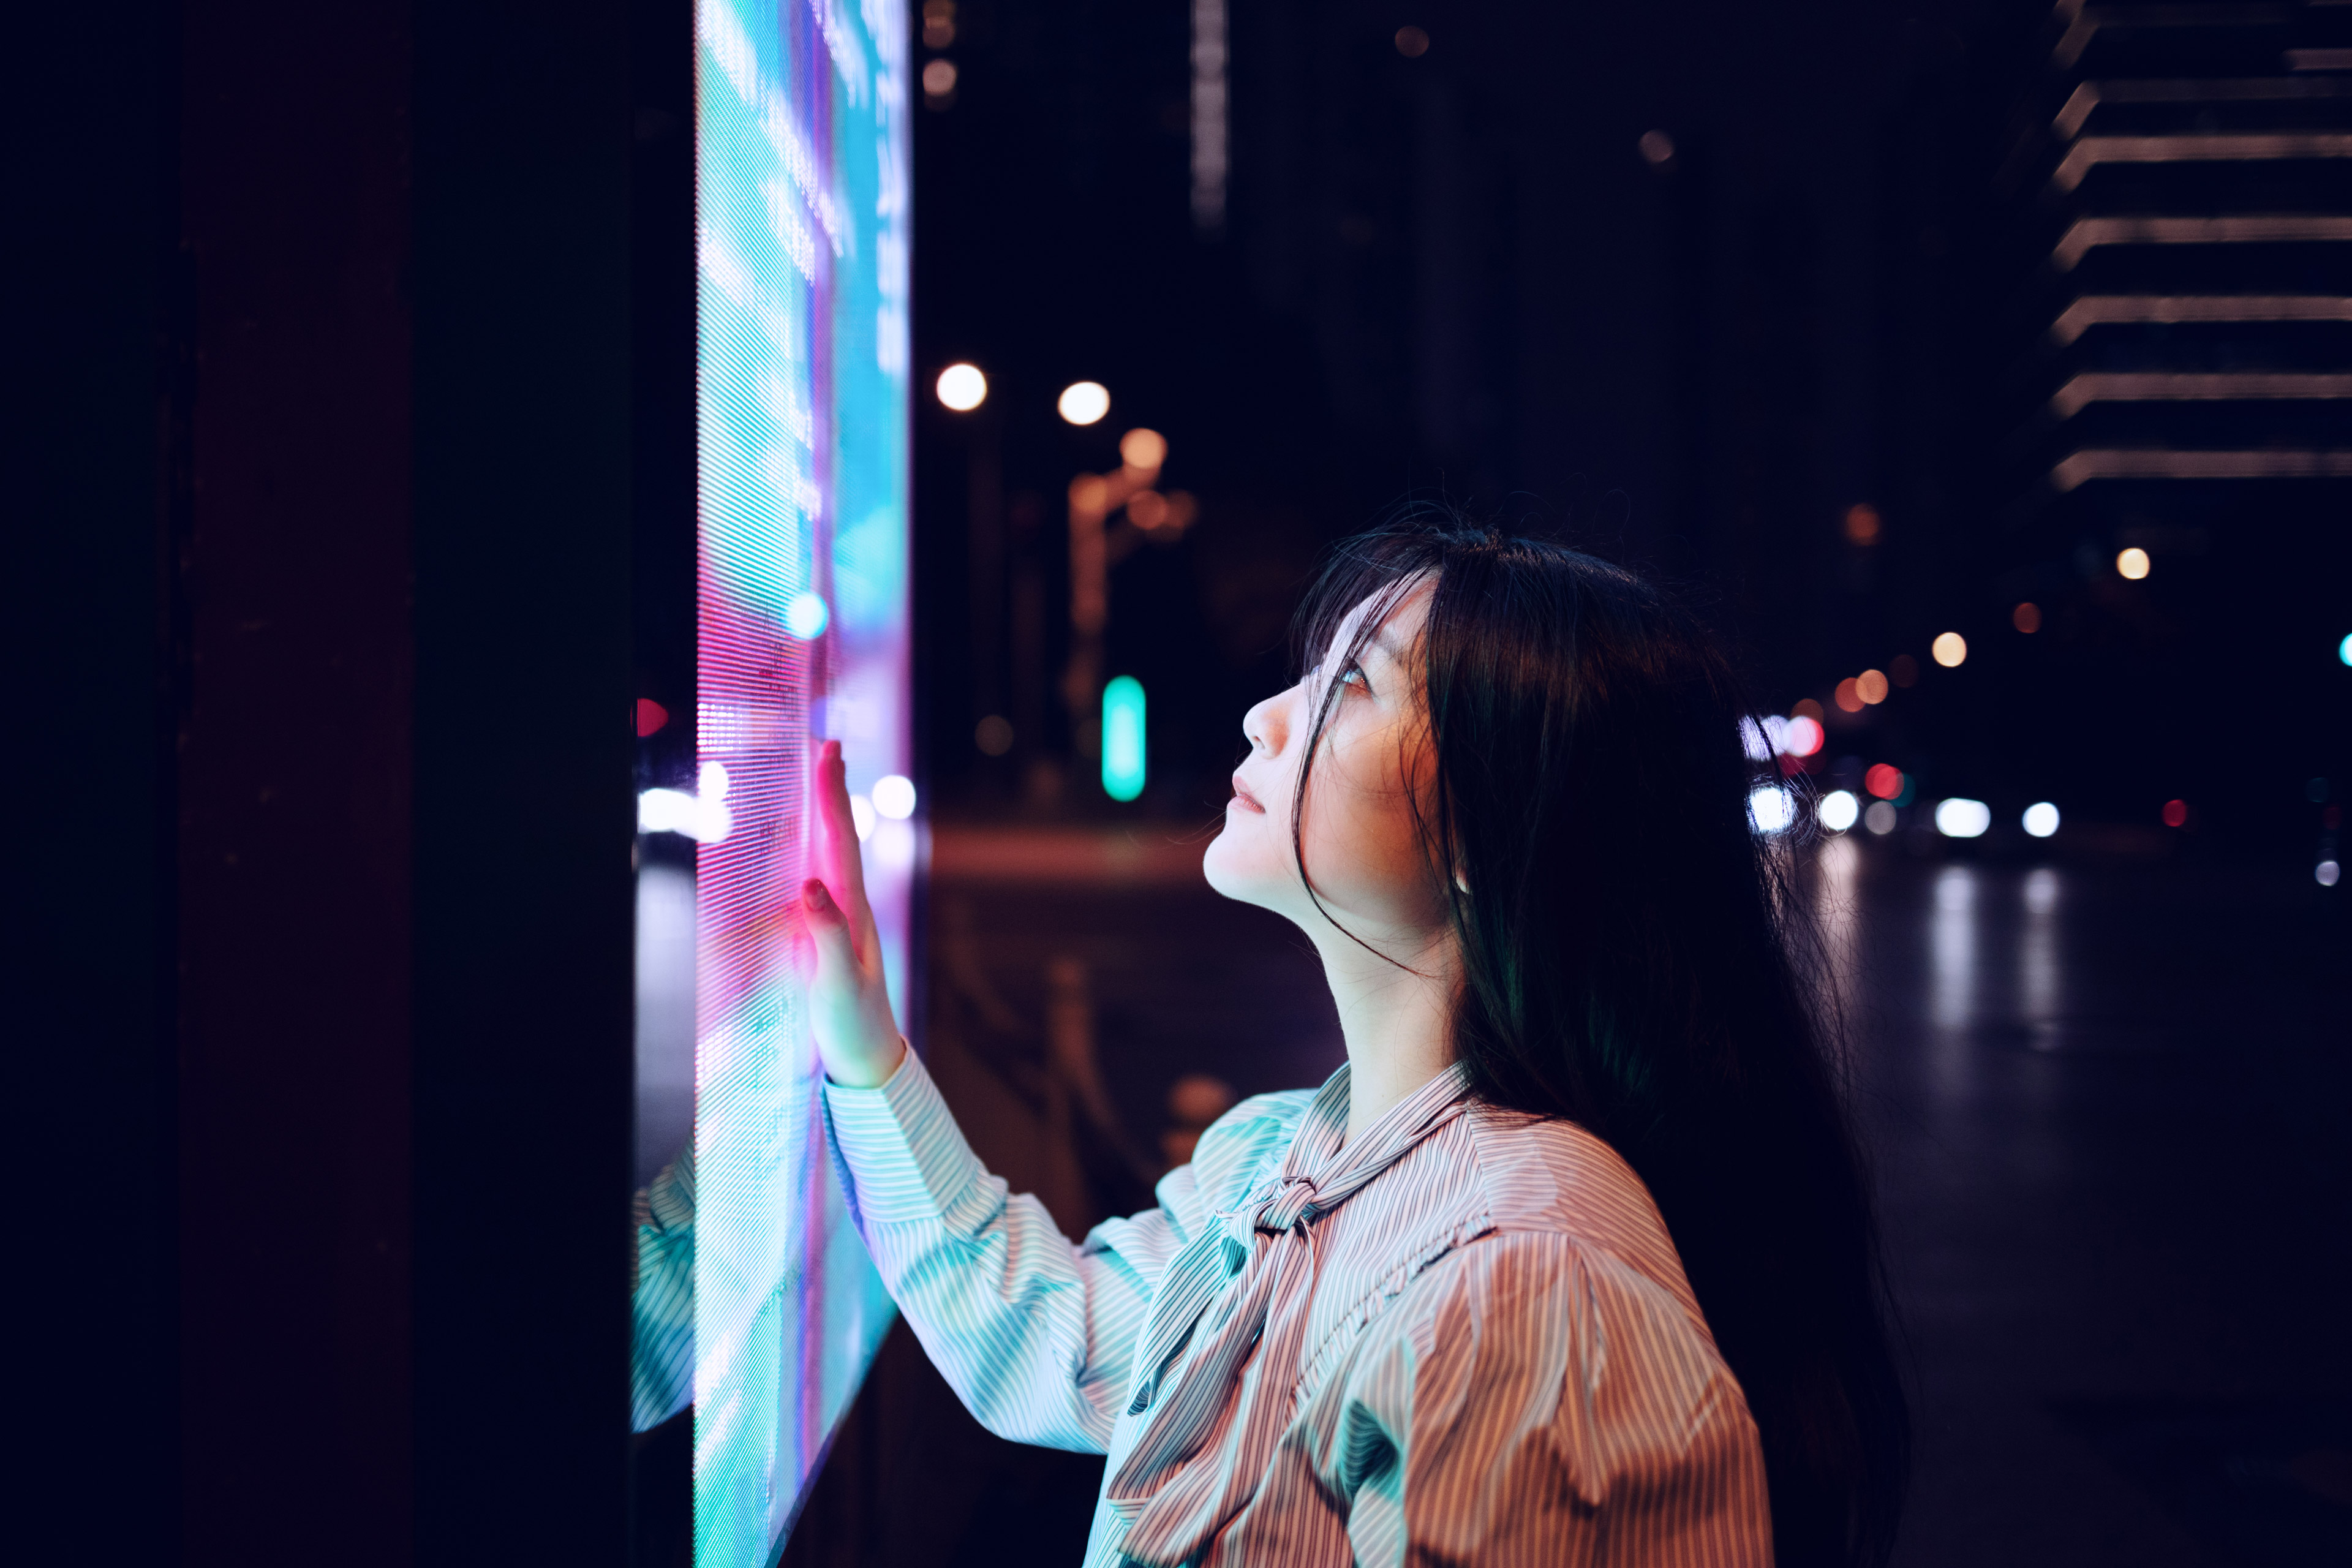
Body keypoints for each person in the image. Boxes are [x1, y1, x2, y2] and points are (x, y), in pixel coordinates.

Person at [657, 516, 1909, 1566]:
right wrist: (864, 1038)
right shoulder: (1287, 1155)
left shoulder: (1523, 1285)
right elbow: (1056, 1335)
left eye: (1349, 685)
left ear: (1487, 827)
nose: (1266, 715)